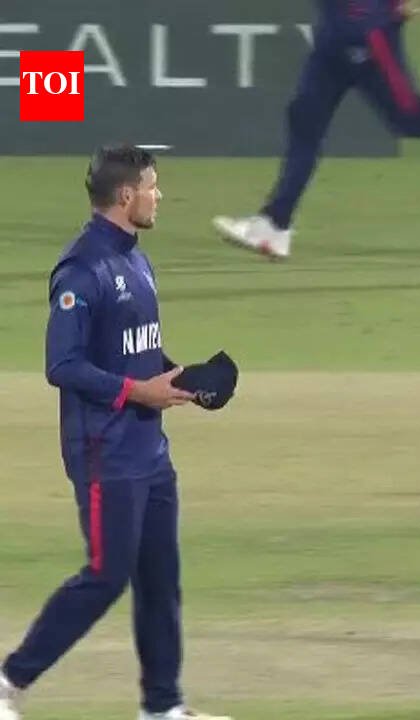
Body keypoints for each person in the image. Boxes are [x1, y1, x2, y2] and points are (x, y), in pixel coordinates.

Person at [0, 146, 230, 720]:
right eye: (152, 186)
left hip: (149, 449)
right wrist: (139, 392)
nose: (159, 196)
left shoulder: (136, 261)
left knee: (160, 578)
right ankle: (9, 682)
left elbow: (138, 353)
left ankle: (163, 707)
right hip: (105, 451)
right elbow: (63, 365)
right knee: (106, 575)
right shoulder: (82, 270)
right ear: (126, 195)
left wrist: (181, 379)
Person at [213, 0, 420, 260]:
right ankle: (275, 224)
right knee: (305, 118)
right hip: (334, 35)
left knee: (412, 116)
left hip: (368, 33)